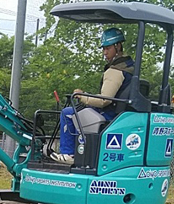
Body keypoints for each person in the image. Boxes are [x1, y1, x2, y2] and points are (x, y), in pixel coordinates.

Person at [52, 27, 135, 164]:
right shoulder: (129, 68)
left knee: (67, 113)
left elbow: (104, 100)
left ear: (118, 46)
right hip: (118, 113)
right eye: (103, 48)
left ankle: (68, 154)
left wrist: (82, 96)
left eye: (108, 48)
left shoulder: (115, 70)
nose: (104, 52)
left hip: (108, 114)